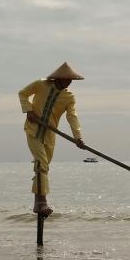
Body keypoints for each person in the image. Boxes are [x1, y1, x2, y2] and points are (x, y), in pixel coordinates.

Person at [18, 62, 86, 216]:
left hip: (49, 135)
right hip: (33, 130)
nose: (68, 82)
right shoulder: (41, 85)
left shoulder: (69, 97)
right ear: (58, 78)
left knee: (43, 167)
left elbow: (72, 117)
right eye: (66, 79)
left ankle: (38, 202)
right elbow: (22, 93)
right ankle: (42, 203)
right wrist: (28, 110)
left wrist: (78, 137)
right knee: (42, 163)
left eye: (70, 80)